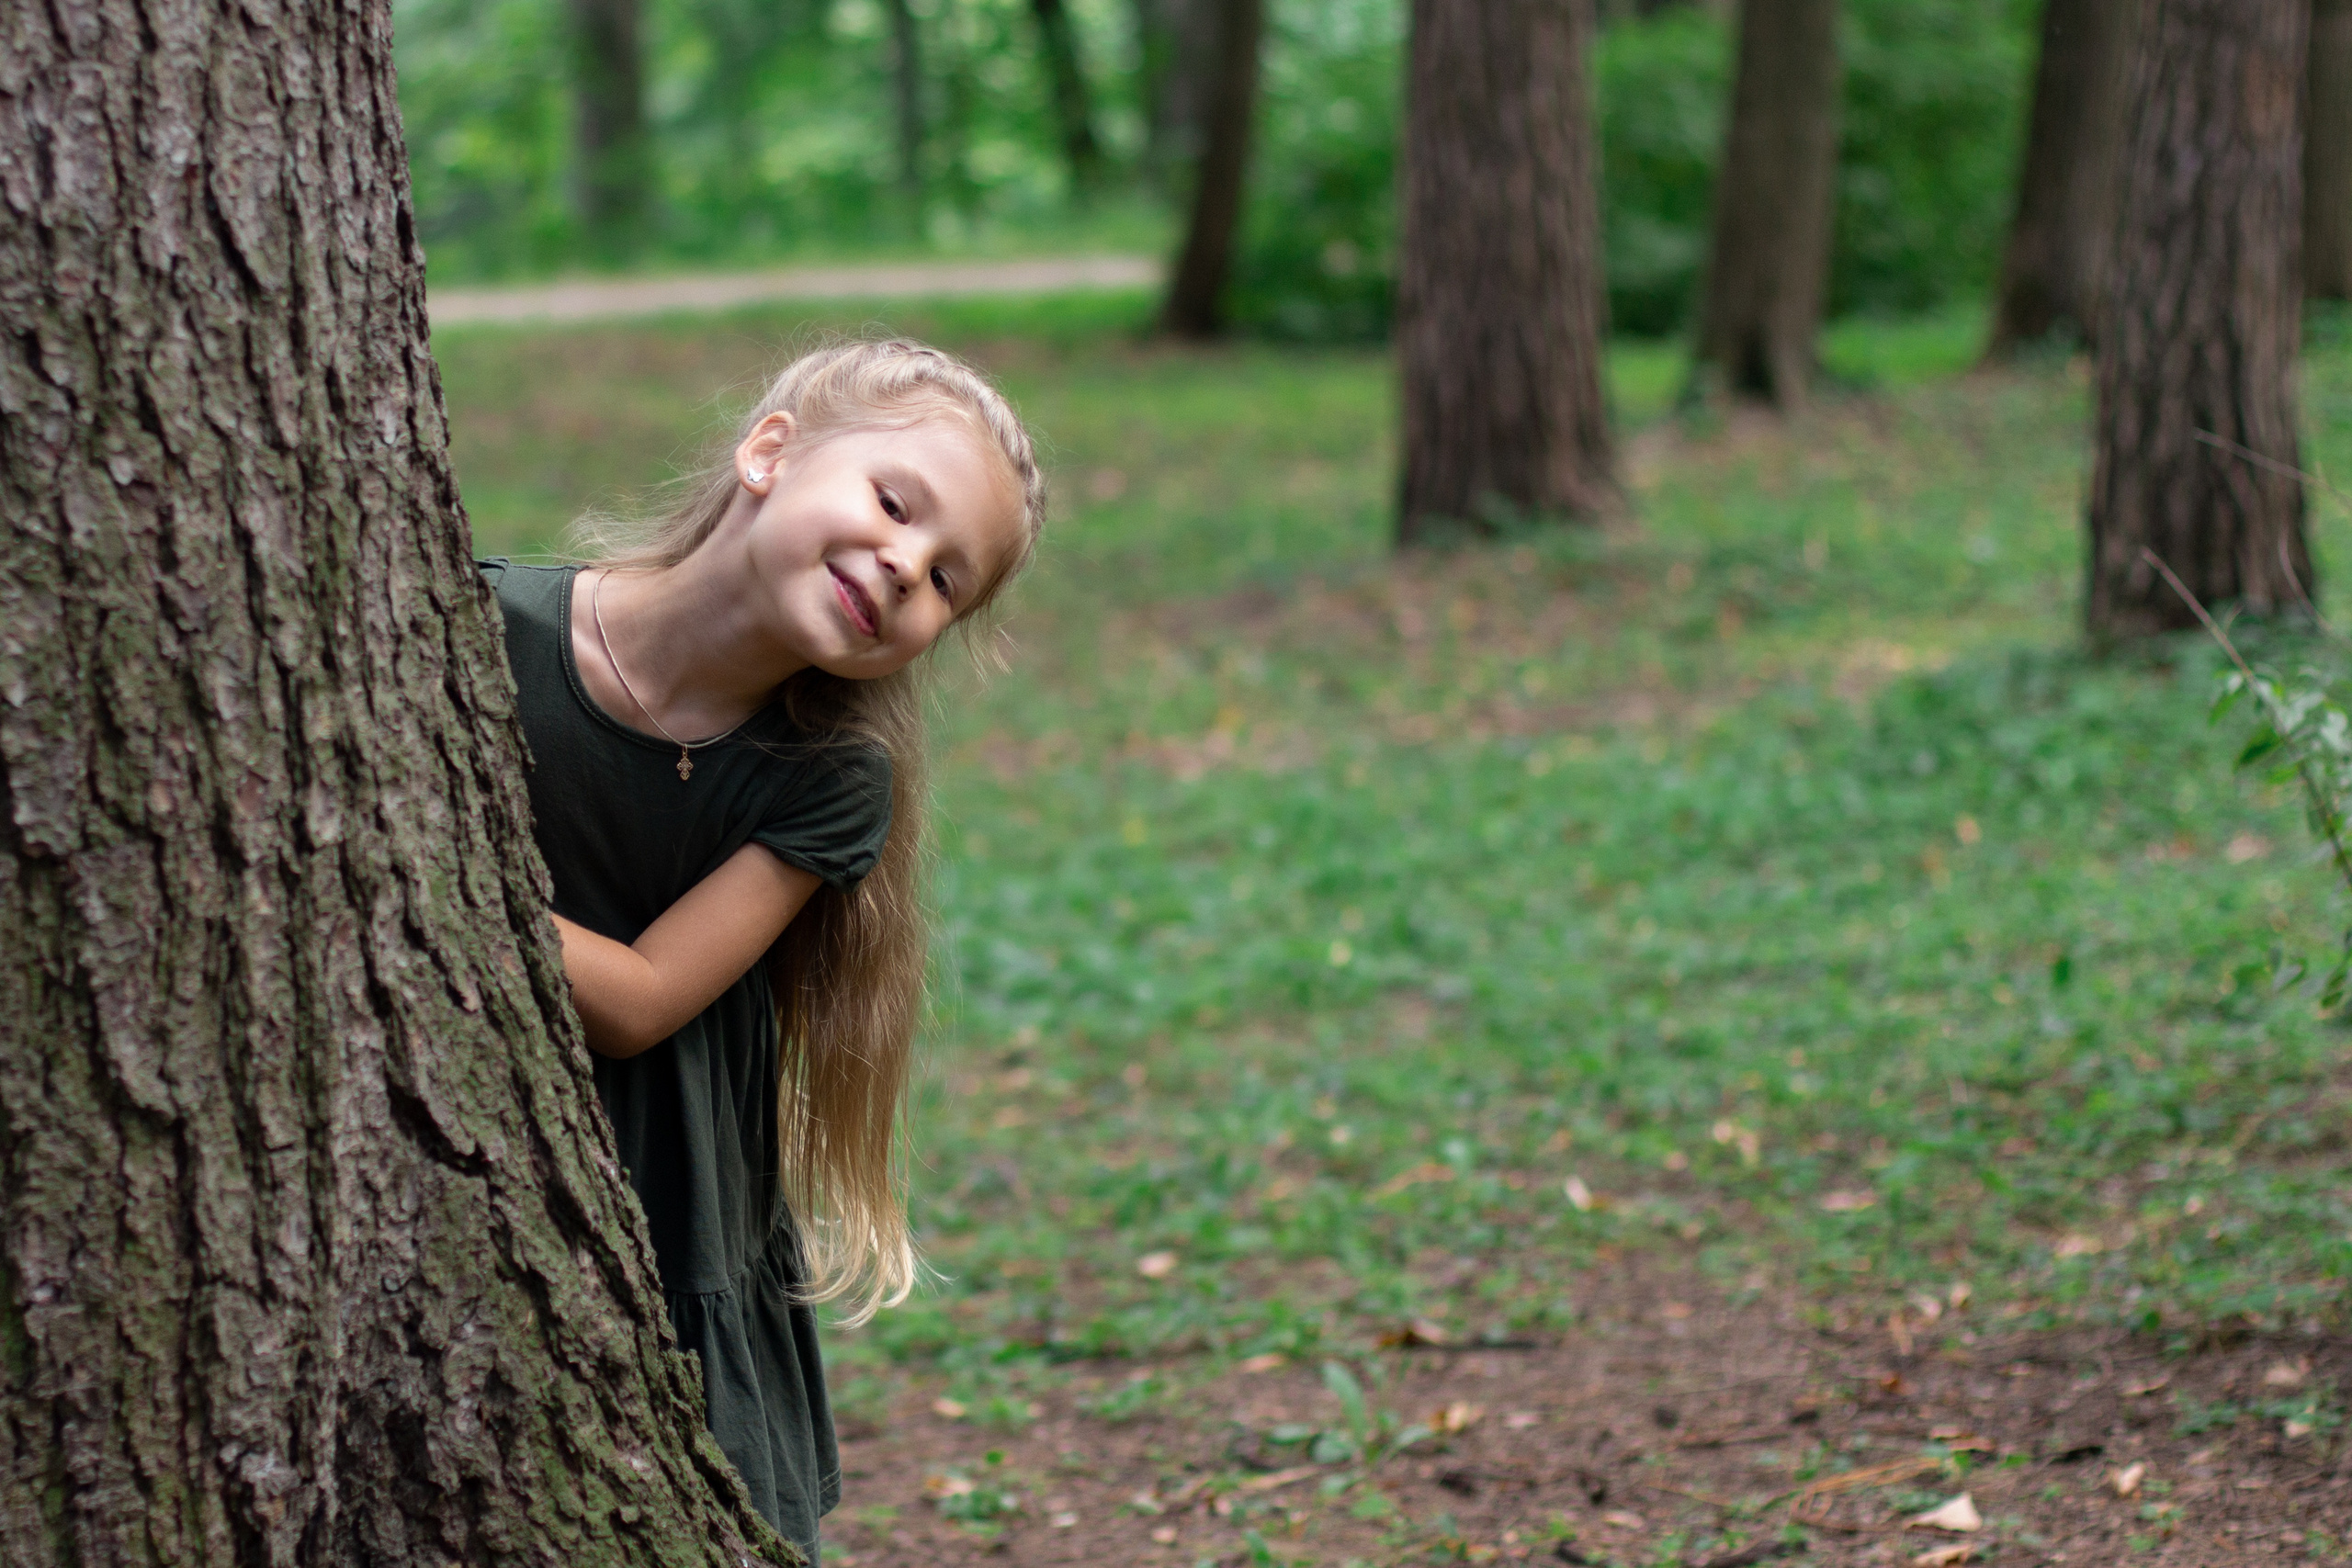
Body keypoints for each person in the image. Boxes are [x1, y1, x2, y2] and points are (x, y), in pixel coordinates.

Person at [478, 339, 1043, 1559]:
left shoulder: (827, 780)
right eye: (896, 505)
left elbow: (636, 1002)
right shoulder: (484, 629)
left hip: (665, 1189)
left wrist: (436, 889)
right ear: (770, 452)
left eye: (948, 580)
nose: (905, 565)